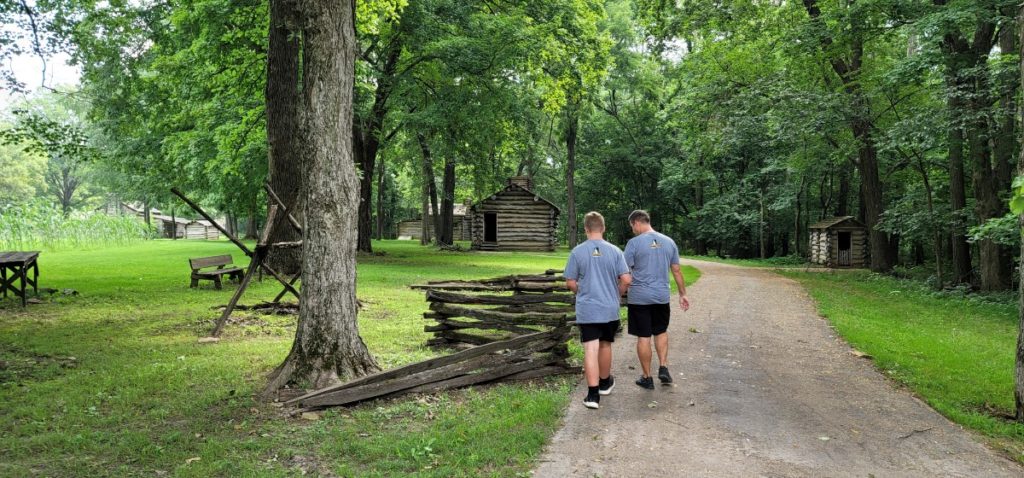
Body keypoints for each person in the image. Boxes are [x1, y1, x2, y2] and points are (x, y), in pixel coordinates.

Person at [564, 211, 632, 409]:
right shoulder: (615, 251)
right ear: (603, 228)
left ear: (586, 229)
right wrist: (617, 294)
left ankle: (593, 395)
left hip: (588, 309)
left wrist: (582, 291)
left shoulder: (577, 252)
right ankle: (604, 383)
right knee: (605, 345)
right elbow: (627, 279)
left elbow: (570, 282)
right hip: (609, 308)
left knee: (590, 349)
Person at [623, 209, 689, 390]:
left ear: (637, 222)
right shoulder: (669, 242)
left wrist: (618, 292)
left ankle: (647, 377)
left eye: (632, 226)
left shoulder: (633, 244)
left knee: (643, 336)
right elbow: (676, 270)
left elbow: (624, 272)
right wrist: (683, 294)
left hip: (639, 298)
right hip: (661, 297)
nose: (633, 230)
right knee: (660, 331)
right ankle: (664, 367)